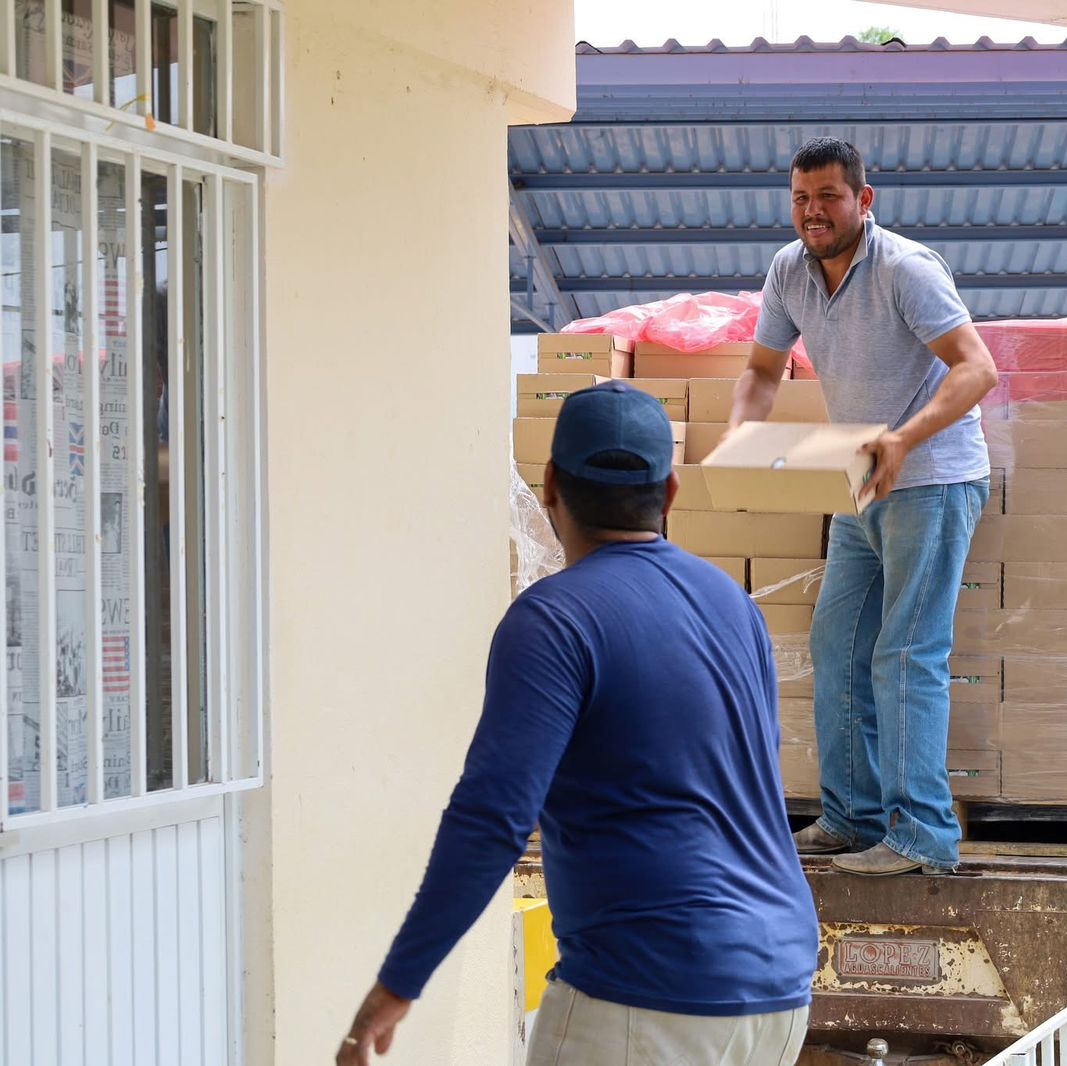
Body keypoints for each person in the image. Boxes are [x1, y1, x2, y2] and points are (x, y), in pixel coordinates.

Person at [336, 382, 818, 1066]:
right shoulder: (733, 607)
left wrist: (397, 985)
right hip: (778, 988)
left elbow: (492, 819)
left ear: (551, 486)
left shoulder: (553, 619)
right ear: (672, 492)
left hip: (648, 995)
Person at [730, 137, 999, 877]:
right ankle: (852, 818)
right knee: (838, 647)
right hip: (860, 484)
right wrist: (739, 437)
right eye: (800, 198)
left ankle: (923, 835)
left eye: (828, 197)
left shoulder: (905, 269)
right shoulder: (789, 270)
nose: (812, 212)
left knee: (906, 654)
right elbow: (760, 370)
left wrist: (905, 439)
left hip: (933, 476)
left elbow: (978, 369)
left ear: (863, 200)